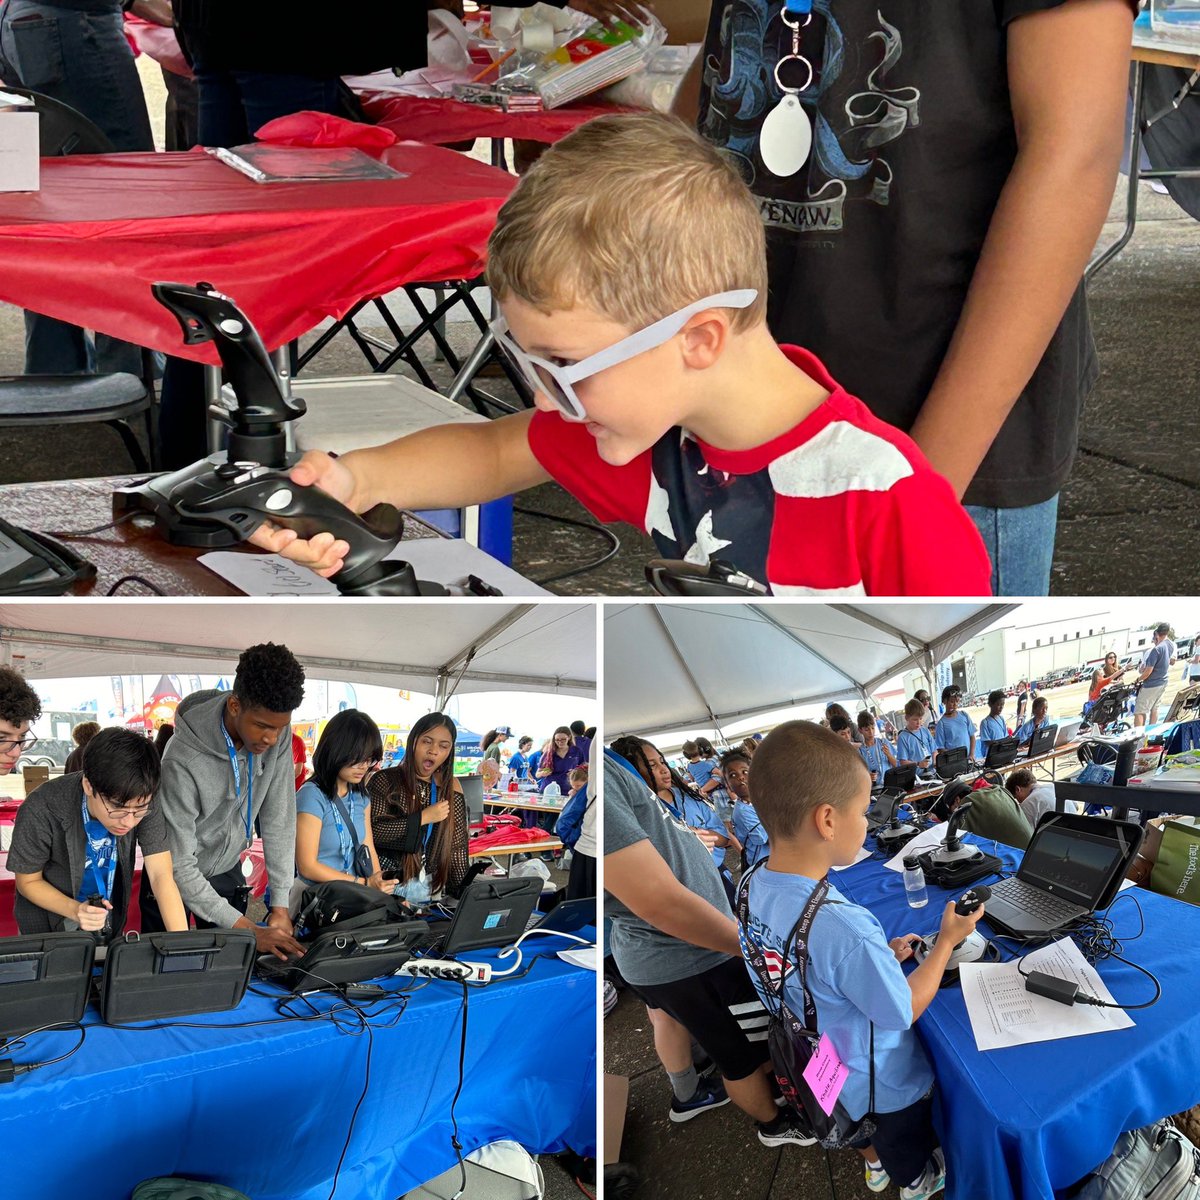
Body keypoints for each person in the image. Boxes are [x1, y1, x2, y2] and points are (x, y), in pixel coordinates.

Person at [247, 113, 990, 597]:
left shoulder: (891, 503)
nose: (544, 397)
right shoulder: (660, 424)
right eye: (531, 365)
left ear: (699, 338)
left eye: (564, 366)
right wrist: (355, 477)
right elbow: (498, 451)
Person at [681, 0, 1136, 596]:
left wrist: (923, 491)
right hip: (748, 398)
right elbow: (726, 59)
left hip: (932, 422)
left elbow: (1074, 154)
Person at [742, 721, 982, 1197]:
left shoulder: (750, 883)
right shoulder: (842, 926)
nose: (869, 821)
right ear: (827, 820)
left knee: (854, 1122)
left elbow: (795, 966)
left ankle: (875, 1165)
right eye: (863, 808)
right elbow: (900, 1011)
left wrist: (874, 964)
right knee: (901, 1140)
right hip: (883, 1081)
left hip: (820, 1056)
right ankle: (915, 1181)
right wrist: (948, 943)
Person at [605, 745, 814, 1139]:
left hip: (699, 950)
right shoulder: (605, 778)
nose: (659, 770)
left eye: (659, 762)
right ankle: (774, 1125)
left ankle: (778, 1098)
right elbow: (659, 901)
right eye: (649, 764)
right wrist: (750, 948)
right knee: (737, 1057)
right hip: (686, 958)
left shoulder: (623, 779)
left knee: (753, 1038)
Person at [0, 0, 159, 379]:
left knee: (43, 199)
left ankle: (54, 364)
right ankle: (125, 364)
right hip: (75, 22)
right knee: (126, 196)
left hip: (26, 21)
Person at [143, 643, 306, 960]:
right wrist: (249, 929)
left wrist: (280, 904)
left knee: (230, 967)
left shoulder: (277, 737)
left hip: (228, 868)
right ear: (234, 706)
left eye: (280, 728)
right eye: (262, 726)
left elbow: (279, 820)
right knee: (164, 968)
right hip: (174, 877)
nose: (271, 739)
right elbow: (178, 865)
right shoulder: (182, 758)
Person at [9, 727, 189, 938]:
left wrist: (183, 943)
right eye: (117, 808)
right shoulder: (42, 806)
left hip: (106, 919)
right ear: (88, 785)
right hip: (48, 924)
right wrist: (75, 910)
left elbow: (161, 875)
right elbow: (28, 881)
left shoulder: (142, 796)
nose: (128, 822)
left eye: (139, 810)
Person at [293, 709, 390, 911]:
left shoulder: (362, 797)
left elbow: (368, 848)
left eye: (369, 759)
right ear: (337, 750)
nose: (363, 766)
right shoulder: (312, 795)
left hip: (352, 898)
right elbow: (307, 866)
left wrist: (380, 887)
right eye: (357, 757)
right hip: (318, 900)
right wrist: (363, 883)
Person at [368, 712, 469, 903]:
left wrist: (464, 894)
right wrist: (423, 818)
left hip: (429, 888)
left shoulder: (451, 787)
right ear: (413, 741)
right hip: (386, 887)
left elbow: (457, 847)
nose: (433, 751)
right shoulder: (385, 779)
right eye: (427, 742)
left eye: (443, 746)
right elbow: (374, 833)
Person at [615, 736, 735, 875]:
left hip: (717, 874)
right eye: (652, 765)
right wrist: (682, 838)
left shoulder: (688, 797)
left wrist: (696, 836)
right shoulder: (633, 815)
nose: (664, 769)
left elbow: (724, 837)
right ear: (631, 772)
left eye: (662, 762)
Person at [937, 779, 1032, 850]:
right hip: (1031, 847)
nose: (955, 812)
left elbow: (954, 838)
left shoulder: (968, 803)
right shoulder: (998, 789)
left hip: (1020, 856)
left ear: (957, 800)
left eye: (953, 809)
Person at [726, 750, 768, 868]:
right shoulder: (742, 812)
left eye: (745, 772)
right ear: (728, 785)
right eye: (733, 775)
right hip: (764, 862)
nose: (740, 777)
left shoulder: (762, 798)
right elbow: (768, 838)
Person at [1134, 623, 1176, 727]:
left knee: (1140, 711)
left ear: (1156, 634)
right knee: (1155, 708)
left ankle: (1138, 737)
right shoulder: (1170, 645)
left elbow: (1148, 672)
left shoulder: (1156, 650)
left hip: (1152, 684)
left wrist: (1138, 680)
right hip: (1163, 681)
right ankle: (1151, 732)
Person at [1004, 768, 1080, 825]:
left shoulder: (1028, 803)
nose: (1019, 802)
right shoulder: (1052, 786)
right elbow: (1076, 806)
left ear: (1018, 789)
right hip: (1076, 829)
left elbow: (1027, 835)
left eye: (1016, 798)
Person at [933, 686, 976, 765]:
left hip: (969, 760)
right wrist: (955, 757)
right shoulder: (941, 724)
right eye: (952, 702)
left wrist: (971, 754)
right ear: (945, 701)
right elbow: (941, 748)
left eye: (957, 701)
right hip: (953, 763)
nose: (955, 705)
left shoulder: (964, 715)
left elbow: (972, 736)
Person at [537, 726, 586, 794]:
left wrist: (575, 772)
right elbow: (537, 774)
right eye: (557, 740)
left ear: (569, 737)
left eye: (563, 739)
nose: (560, 742)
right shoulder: (548, 753)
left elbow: (583, 770)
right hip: (549, 789)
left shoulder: (577, 751)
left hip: (569, 789)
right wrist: (543, 773)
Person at [857, 711, 896, 784]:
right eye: (866, 729)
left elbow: (896, 765)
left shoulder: (883, 743)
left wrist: (889, 755)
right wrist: (868, 776)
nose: (871, 732)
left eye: (872, 728)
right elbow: (859, 775)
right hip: (874, 788)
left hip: (890, 784)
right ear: (860, 730)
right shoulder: (860, 752)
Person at [895, 700, 936, 771]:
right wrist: (918, 764)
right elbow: (903, 762)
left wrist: (935, 762)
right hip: (916, 777)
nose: (918, 722)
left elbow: (934, 750)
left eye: (920, 719)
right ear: (907, 718)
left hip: (932, 772)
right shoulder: (903, 737)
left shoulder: (925, 730)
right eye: (915, 719)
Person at [977, 692, 1009, 761]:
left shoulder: (1001, 719)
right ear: (991, 704)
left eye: (1002, 704)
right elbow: (987, 742)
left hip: (1002, 753)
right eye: (998, 704)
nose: (1001, 707)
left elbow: (1006, 736)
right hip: (992, 756)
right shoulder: (985, 722)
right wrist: (999, 744)